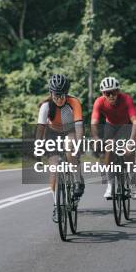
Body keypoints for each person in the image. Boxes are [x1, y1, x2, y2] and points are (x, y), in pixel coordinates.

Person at [36, 74, 85, 223]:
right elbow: (40, 130)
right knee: (54, 170)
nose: (59, 98)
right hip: (53, 134)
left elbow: (79, 128)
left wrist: (78, 144)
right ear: (51, 93)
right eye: (56, 95)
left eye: (62, 95)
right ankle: (57, 206)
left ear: (67, 93)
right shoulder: (46, 106)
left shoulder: (74, 102)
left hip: (70, 131)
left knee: (70, 148)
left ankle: (77, 182)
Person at [91, 76, 136, 200]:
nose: (111, 96)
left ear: (118, 91)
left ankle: (133, 183)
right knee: (108, 151)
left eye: (114, 92)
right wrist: (96, 138)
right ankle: (110, 185)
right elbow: (94, 122)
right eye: (108, 93)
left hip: (126, 126)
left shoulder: (126, 99)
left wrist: (132, 141)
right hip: (111, 127)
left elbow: (135, 122)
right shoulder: (99, 102)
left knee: (128, 153)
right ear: (103, 94)